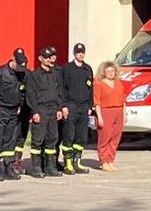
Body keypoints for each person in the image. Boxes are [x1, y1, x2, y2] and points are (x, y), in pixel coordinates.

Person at [0, 48, 29, 180]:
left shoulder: (21, 74)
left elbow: (21, 92)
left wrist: (20, 106)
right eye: (19, 65)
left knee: (10, 139)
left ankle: (8, 166)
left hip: (13, 111)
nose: (21, 68)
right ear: (13, 60)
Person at [26, 47, 64, 177]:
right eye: (46, 57)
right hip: (40, 109)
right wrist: (34, 112)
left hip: (53, 109)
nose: (48, 60)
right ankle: (36, 168)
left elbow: (59, 92)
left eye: (49, 57)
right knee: (38, 140)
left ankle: (50, 167)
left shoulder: (55, 74)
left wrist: (59, 108)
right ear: (40, 58)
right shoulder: (34, 75)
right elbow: (30, 95)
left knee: (52, 139)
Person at [59, 43, 95, 174]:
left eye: (82, 52)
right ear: (74, 53)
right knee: (69, 135)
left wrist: (91, 105)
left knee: (81, 136)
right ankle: (68, 163)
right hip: (71, 105)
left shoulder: (87, 69)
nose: (80, 54)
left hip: (84, 107)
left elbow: (91, 88)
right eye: (78, 52)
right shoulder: (66, 69)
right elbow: (61, 88)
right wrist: (63, 106)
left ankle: (77, 162)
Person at [94, 61, 128, 172]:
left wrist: (124, 114)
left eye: (112, 71)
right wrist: (99, 117)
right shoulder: (99, 84)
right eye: (108, 71)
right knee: (105, 137)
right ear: (103, 72)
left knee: (115, 138)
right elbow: (97, 102)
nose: (110, 73)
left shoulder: (119, 83)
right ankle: (104, 161)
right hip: (105, 111)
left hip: (118, 111)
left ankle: (110, 160)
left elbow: (123, 101)